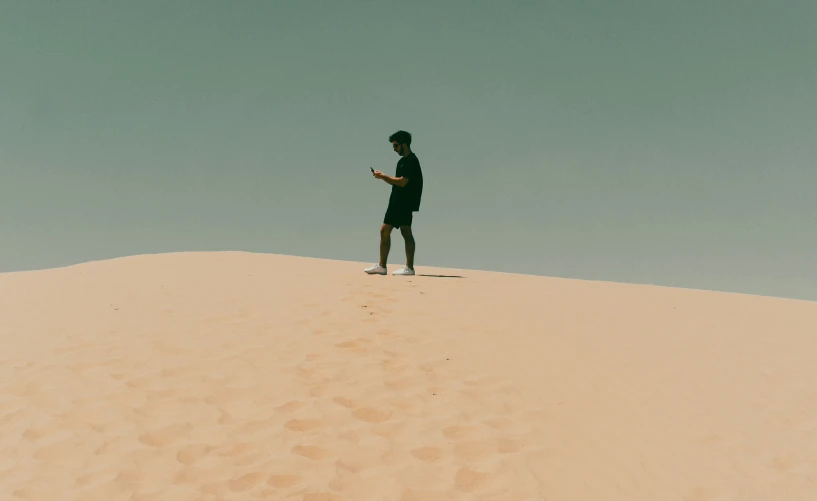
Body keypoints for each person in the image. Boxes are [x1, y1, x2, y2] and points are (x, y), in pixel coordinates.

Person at [365, 130, 424, 276]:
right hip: (399, 201)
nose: (394, 149)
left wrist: (383, 176)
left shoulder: (411, 161)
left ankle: (394, 267)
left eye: (396, 146)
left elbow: (403, 182)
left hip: (402, 203)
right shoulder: (403, 161)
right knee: (398, 231)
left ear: (404, 144)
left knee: (393, 231)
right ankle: (391, 267)